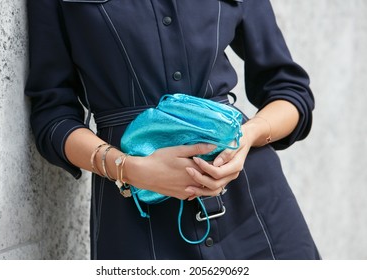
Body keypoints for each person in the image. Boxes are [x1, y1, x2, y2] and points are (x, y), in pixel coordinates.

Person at [25, 0, 320, 260]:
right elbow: (52, 115)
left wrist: (245, 138)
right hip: (137, 219)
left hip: (253, 205)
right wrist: (129, 169)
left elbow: (289, 89)